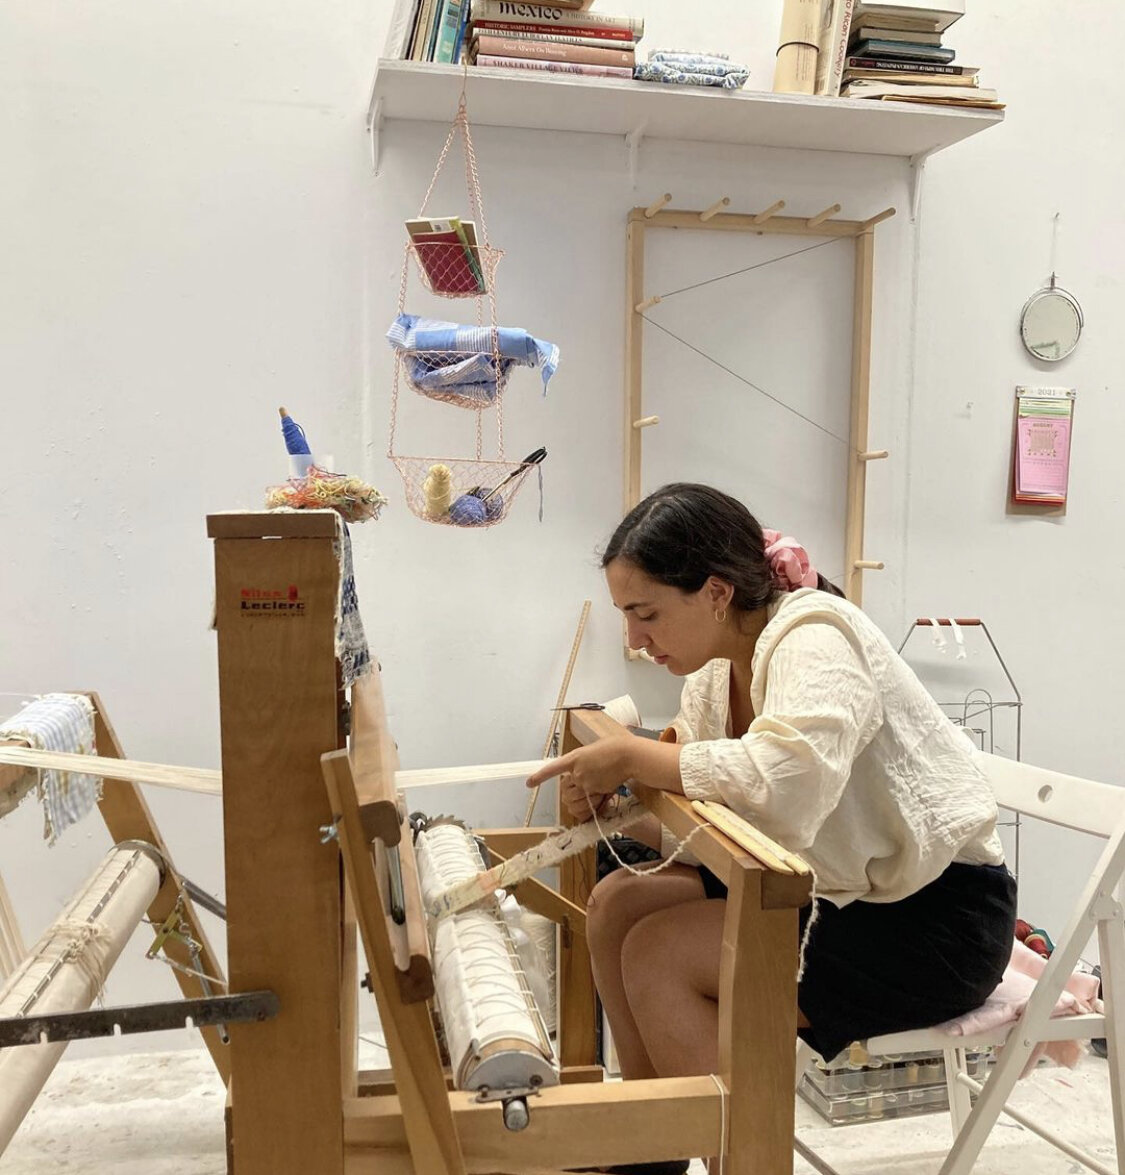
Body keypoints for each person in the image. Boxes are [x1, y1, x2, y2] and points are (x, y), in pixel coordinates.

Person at [526, 483, 1016, 1175]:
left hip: (930, 922)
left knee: (660, 953)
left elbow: (785, 788)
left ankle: (741, 1159)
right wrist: (617, 809)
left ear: (716, 592)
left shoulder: (814, 636)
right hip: (832, 896)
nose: (634, 639)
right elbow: (725, 828)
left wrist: (637, 757)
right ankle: (649, 1151)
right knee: (617, 904)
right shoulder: (714, 674)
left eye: (645, 613)